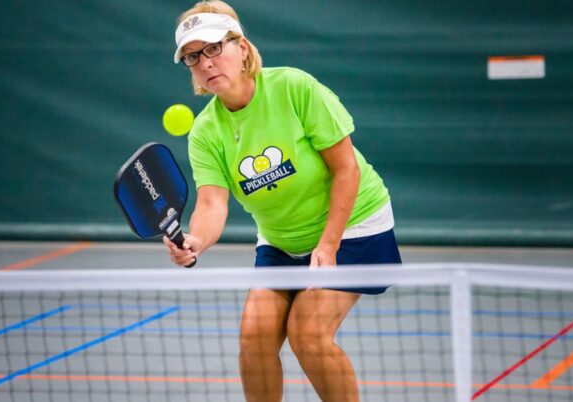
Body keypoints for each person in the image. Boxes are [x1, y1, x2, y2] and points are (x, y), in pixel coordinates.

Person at [164, 1, 402, 401]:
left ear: (241, 47)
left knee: (307, 334)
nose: (204, 62)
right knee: (254, 337)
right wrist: (196, 241)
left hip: (353, 226)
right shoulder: (206, 131)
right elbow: (211, 204)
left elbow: (347, 169)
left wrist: (328, 246)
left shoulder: (294, 87)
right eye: (192, 56)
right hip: (282, 238)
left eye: (213, 48)